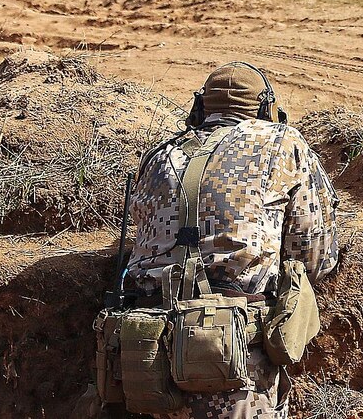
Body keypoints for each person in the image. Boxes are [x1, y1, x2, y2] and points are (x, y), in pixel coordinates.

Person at [125, 62, 340, 419]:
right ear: (265, 109)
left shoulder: (160, 154)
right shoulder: (283, 142)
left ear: (200, 108)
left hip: (143, 364)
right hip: (231, 365)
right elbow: (313, 256)